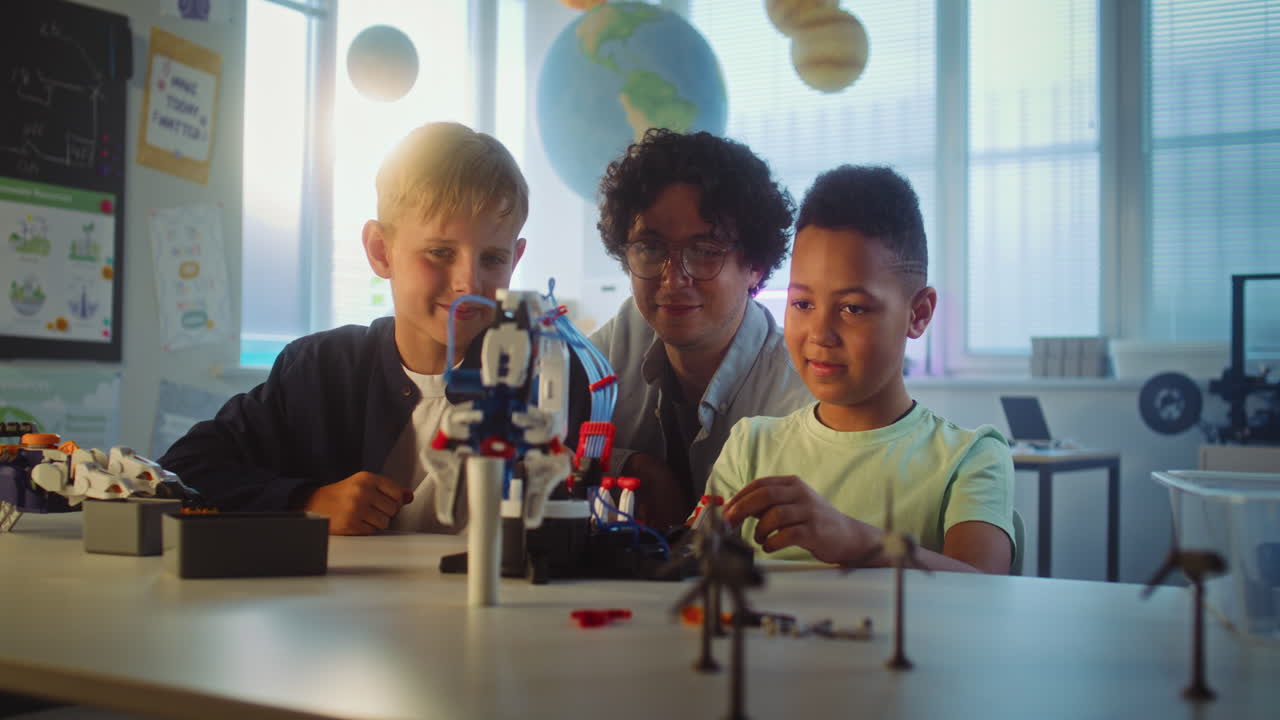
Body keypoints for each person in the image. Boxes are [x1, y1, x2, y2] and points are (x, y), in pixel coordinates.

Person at [160, 122, 532, 536]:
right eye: (440, 252)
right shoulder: (320, 370)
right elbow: (183, 470)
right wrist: (306, 501)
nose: (469, 283)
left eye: (493, 259)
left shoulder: (541, 376)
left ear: (515, 259)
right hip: (340, 600)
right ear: (380, 250)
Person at [714, 165, 1016, 574]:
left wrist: (855, 541)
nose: (820, 334)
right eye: (802, 304)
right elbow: (693, 576)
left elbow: (987, 588)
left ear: (919, 313)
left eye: (853, 308)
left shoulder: (970, 458)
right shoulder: (751, 447)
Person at [590, 129, 813, 531]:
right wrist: (633, 463)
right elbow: (530, 435)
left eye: (706, 251)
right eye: (651, 248)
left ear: (756, 266)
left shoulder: (798, 398)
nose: (673, 279)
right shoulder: (625, 333)